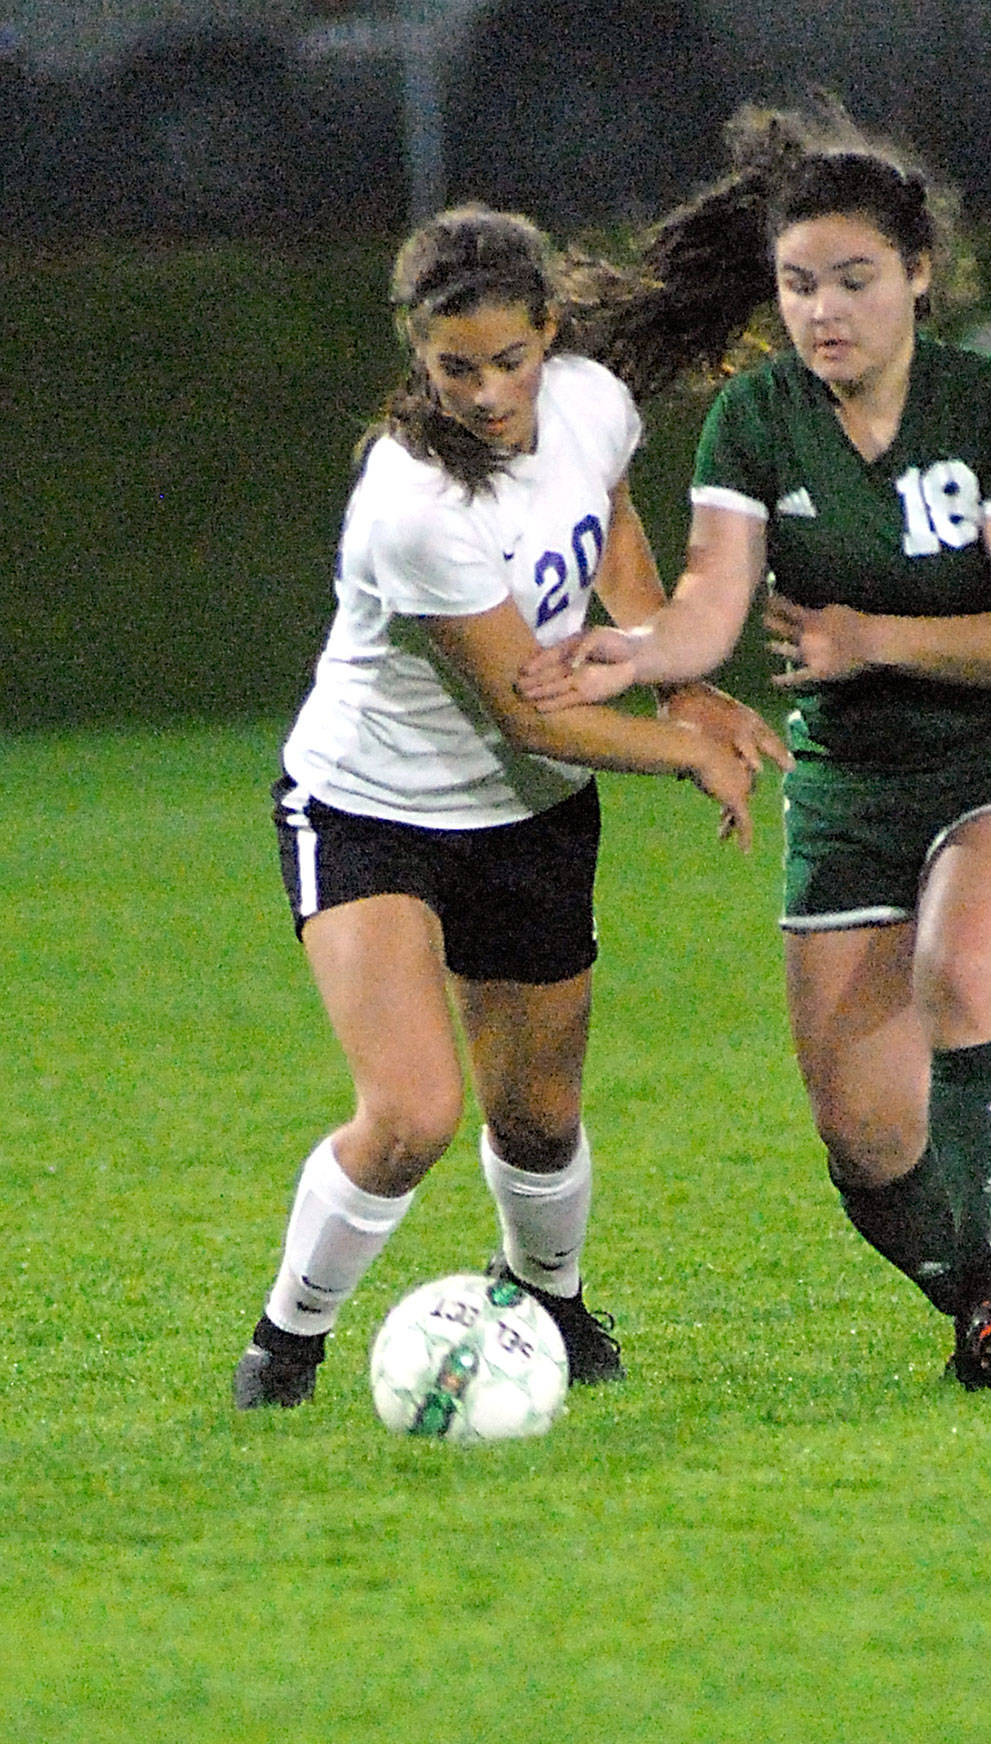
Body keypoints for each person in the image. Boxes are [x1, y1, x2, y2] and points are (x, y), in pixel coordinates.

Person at [520, 104, 991, 1391]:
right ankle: (969, 1295)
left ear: (915, 274)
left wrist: (877, 637)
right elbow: (707, 607)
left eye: (852, 279)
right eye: (797, 285)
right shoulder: (757, 419)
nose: (822, 310)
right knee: (862, 1137)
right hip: (852, 785)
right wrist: (636, 655)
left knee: (963, 970)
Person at [233, 205, 786, 1409]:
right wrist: (684, 749)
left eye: (508, 359)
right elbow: (526, 714)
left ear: (548, 331)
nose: (486, 393)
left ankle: (551, 1301)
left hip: (530, 819)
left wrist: (672, 672)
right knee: (414, 1112)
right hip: (370, 812)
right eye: (453, 369)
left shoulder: (588, 400)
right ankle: (287, 1341)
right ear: (414, 356)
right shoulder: (412, 501)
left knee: (537, 1120)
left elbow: (615, 520)